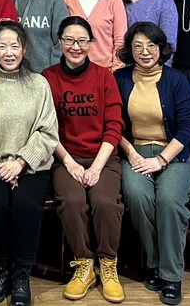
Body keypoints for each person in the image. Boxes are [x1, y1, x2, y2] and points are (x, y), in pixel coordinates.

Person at [0, 22, 58, 306]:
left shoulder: (39, 83)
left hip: (31, 166)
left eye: (15, 46)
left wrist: (21, 162)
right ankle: (1, 271)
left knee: (25, 204)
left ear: (24, 49)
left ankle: (22, 273)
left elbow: (48, 132)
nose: (8, 52)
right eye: (2, 46)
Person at [44, 16, 125, 304]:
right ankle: (84, 265)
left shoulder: (104, 77)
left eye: (82, 41)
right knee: (73, 201)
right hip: (66, 157)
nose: (75, 47)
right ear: (60, 42)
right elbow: (46, 129)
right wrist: (69, 163)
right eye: (69, 40)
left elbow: (114, 126)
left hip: (103, 156)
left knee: (105, 202)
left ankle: (108, 263)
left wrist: (97, 167)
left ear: (91, 43)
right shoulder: (48, 77)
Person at [113, 23, 190, 306]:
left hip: (173, 154)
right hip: (133, 151)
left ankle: (171, 275)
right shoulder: (120, 78)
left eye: (151, 45)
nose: (145, 52)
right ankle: (154, 262)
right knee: (138, 196)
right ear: (129, 50)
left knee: (169, 201)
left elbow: (187, 127)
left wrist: (161, 159)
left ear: (161, 48)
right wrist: (132, 155)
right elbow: (113, 124)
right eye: (137, 46)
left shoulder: (176, 80)